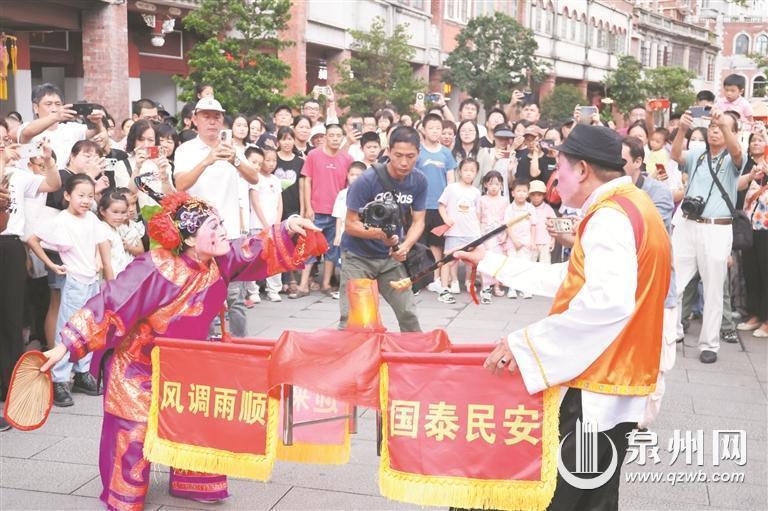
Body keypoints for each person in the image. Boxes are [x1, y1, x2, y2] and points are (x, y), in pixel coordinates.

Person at [39, 190, 317, 509]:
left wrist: (288, 227)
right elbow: (112, 302)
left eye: (221, 223)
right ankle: (124, 493)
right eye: (213, 226)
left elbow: (253, 248)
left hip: (186, 364)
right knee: (134, 428)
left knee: (196, 419)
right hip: (138, 365)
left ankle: (193, 482)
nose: (223, 231)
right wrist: (65, 346)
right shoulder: (155, 267)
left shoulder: (219, 261)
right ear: (189, 239)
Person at [454, 124, 671, 511]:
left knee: (565, 498)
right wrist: (492, 262)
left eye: (561, 167)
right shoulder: (633, 204)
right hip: (615, 378)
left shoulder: (611, 217)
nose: (556, 177)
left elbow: (607, 303)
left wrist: (524, 344)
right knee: (592, 497)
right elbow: (573, 279)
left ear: (583, 169)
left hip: (600, 384)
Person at [173, 97, 260, 337]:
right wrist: (207, 161)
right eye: (206, 116)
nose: (212, 122)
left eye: (216, 117)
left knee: (235, 296)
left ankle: (241, 344)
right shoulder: (186, 150)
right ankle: (207, 345)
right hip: (198, 237)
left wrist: (235, 159)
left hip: (230, 233)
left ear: (222, 120)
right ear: (195, 120)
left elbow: (254, 178)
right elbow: (180, 184)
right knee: (203, 295)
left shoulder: (233, 148)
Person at [27, 174, 114, 407]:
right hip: (74, 281)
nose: (86, 200)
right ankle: (59, 380)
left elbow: (100, 244)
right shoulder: (61, 220)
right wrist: (51, 264)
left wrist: (101, 266)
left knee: (90, 327)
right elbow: (32, 239)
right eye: (81, 195)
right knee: (67, 330)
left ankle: (82, 372)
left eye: (90, 196)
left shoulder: (92, 219)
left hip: (92, 281)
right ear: (67, 195)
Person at [670, 108, 744, 363]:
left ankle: (709, 344)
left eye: (722, 127)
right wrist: (682, 129)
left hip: (717, 228)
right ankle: (673, 331)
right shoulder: (698, 153)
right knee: (674, 283)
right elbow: (676, 155)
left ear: (733, 132)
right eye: (712, 126)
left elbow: (737, 152)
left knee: (713, 289)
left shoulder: (734, 158)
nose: (715, 130)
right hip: (687, 224)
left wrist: (723, 124)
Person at [0, 130, 60, 431]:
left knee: (11, 319)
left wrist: (48, 161)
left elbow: (52, 184)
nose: (5, 145)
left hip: (10, 245)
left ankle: (8, 390)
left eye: (5, 140)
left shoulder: (19, 175)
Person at [338, 127, 426, 331]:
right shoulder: (366, 181)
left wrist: (406, 245)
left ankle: (416, 349)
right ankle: (349, 351)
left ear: (418, 154)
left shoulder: (419, 180)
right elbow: (350, 224)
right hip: (358, 257)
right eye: (398, 155)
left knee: (408, 313)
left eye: (410, 156)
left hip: (390, 258)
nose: (404, 162)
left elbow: (419, 220)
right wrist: (379, 234)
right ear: (388, 151)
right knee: (356, 318)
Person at [299, 123, 352, 296]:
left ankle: (326, 284)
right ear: (325, 137)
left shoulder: (347, 158)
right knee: (309, 248)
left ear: (342, 138)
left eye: (338, 136)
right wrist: (308, 207)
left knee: (332, 249)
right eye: (331, 135)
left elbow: (349, 185)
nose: (335, 139)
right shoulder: (314, 155)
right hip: (317, 210)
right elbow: (307, 181)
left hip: (337, 213)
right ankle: (303, 284)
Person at [16, 83, 106, 166]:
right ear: (35, 108)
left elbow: (94, 131)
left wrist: (97, 121)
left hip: (66, 177)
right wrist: (56, 116)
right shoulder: (25, 126)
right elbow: (27, 132)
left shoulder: (71, 128)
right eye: (48, 104)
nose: (54, 109)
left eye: (58, 104)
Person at [418, 114, 458, 292]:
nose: (435, 131)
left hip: (440, 207)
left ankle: (435, 278)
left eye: (438, 128)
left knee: (437, 244)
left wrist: (450, 204)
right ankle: (419, 279)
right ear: (424, 130)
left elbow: (451, 180)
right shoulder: (418, 151)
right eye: (431, 128)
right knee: (419, 243)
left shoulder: (446, 153)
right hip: (420, 205)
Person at [437, 158, 482, 303]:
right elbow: (441, 206)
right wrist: (445, 218)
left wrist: (479, 231)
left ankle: (472, 283)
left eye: (472, 171)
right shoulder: (451, 188)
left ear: (476, 173)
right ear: (460, 172)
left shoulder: (476, 192)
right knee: (448, 261)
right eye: (466, 170)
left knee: (473, 261)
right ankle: (444, 289)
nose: (469, 173)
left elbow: (478, 213)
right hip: (454, 232)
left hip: (472, 232)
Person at [738, 131, 768, 337]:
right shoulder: (745, 165)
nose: (756, 143)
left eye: (761, 139)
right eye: (753, 140)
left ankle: (767, 319)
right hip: (749, 225)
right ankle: (755, 314)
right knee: (751, 271)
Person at [249, 147, 284, 303]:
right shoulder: (255, 178)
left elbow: (279, 203)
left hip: (274, 226)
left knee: (275, 258)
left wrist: (277, 222)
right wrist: (264, 224)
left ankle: (274, 289)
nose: (271, 163)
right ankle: (253, 290)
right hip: (257, 224)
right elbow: (255, 202)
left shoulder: (276, 180)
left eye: (274, 160)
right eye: (268, 160)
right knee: (255, 258)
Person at [331, 161, 367, 299]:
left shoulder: (367, 194)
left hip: (361, 234)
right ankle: (344, 291)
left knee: (360, 263)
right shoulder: (342, 194)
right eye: (352, 175)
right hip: (344, 234)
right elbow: (339, 215)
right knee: (344, 263)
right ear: (347, 175)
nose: (355, 178)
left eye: (359, 175)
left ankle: (359, 290)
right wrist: (337, 234)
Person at [478, 170, 509, 303]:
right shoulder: (482, 199)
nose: (494, 187)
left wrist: (505, 234)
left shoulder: (504, 200)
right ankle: (485, 286)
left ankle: (497, 285)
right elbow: (478, 217)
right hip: (485, 232)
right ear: (486, 184)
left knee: (499, 260)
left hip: (500, 233)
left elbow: (507, 219)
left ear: (501, 185)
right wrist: (479, 235)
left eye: (497, 184)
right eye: (491, 184)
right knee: (486, 259)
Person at [504, 179, 537, 299]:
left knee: (525, 264)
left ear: (528, 193)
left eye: (524, 191)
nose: (521, 194)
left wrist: (532, 241)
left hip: (526, 241)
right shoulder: (509, 209)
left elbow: (533, 225)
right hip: (512, 241)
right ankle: (512, 288)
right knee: (512, 264)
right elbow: (507, 226)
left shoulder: (530, 208)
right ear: (513, 193)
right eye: (518, 191)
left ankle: (524, 288)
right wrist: (514, 240)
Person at [528, 180, 555, 264]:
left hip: (545, 242)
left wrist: (553, 240)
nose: (536, 198)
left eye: (539, 195)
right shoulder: (526, 208)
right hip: (530, 242)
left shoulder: (548, 209)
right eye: (533, 195)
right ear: (529, 195)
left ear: (543, 195)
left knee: (545, 266)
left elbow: (554, 225)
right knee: (529, 265)